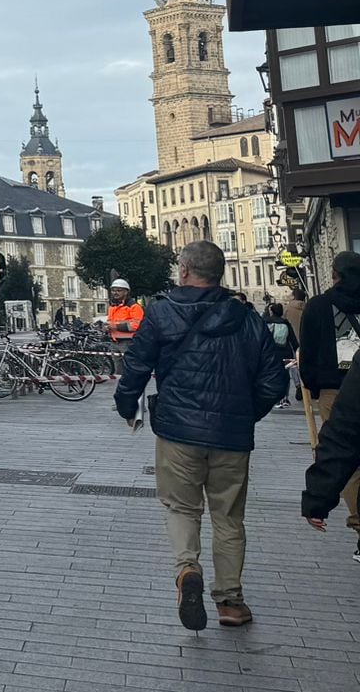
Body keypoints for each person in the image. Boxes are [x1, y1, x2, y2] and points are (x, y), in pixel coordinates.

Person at [113, 240, 286, 631]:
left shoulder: (161, 313)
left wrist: (127, 408)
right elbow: (275, 379)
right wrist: (244, 414)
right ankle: (230, 601)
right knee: (228, 518)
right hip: (231, 436)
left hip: (178, 432)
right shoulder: (246, 317)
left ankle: (188, 569)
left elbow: (136, 368)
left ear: (185, 271)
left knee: (182, 508)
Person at [299, 253, 360, 544]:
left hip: (334, 389)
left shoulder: (319, 306)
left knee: (345, 453)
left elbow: (307, 352)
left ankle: (358, 519)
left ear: (334, 274)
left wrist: (312, 387)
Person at [265, 301, 298, 411]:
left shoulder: (266, 322)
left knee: (272, 375)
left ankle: (273, 397)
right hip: (285, 352)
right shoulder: (285, 323)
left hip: (271, 354)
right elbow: (293, 340)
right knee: (285, 376)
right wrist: (297, 350)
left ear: (271, 311)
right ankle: (284, 398)